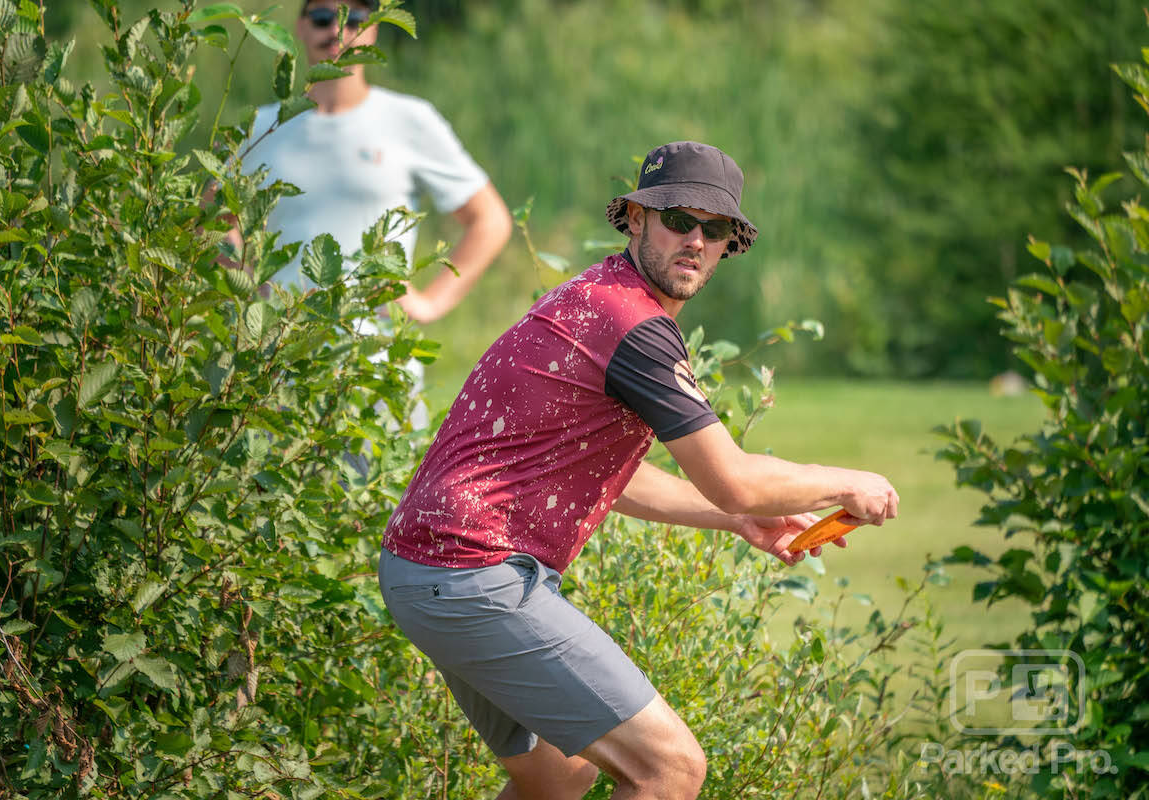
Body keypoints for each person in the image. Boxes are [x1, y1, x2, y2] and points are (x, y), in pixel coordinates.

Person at [378, 141, 900, 799]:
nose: (697, 241)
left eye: (716, 230)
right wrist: (847, 480)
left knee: (559, 779)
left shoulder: (598, 295)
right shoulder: (633, 326)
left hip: (429, 572)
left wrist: (740, 520)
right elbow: (734, 476)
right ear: (634, 217)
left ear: (728, 246)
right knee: (670, 769)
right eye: (680, 219)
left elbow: (616, 479)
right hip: (470, 573)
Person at [232, 0, 511, 318]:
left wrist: (430, 304)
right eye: (324, 18)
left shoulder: (409, 120)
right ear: (300, 27)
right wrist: (248, 291)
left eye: (354, 20)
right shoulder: (260, 129)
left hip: (376, 358)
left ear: (374, 30)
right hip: (279, 356)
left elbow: (491, 220)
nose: (338, 31)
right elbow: (213, 220)